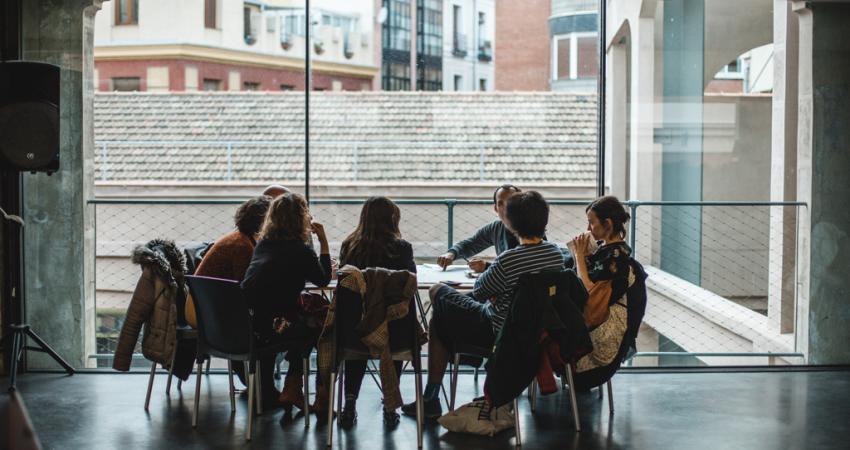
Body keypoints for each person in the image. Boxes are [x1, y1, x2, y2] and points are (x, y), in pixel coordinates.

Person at [403, 191, 566, 418]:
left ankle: (431, 398)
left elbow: (479, 292)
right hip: (532, 334)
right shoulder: (555, 255)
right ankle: (432, 397)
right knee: (440, 318)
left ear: (512, 223)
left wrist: (492, 279)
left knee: (437, 292)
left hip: (497, 333)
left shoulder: (508, 260)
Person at [241, 193, 332, 412]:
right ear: (301, 218)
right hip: (275, 327)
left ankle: (294, 385)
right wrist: (324, 242)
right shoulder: (301, 250)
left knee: (307, 320)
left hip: (248, 324)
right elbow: (323, 279)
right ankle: (311, 392)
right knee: (322, 326)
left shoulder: (263, 244)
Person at [335, 196, 416, 427]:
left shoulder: (349, 246)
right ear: (393, 219)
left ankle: (349, 402)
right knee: (393, 325)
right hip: (395, 335)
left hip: (354, 333)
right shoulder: (402, 248)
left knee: (361, 327)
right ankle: (390, 405)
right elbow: (410, 282)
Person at [570, 196, 639, 374]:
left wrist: (579, 257)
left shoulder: (613, 257)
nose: (588, 228)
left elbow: (589, 292)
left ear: (607, 224)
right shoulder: (618, 250)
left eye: (591, 223)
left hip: (601, 342)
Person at [436, 184, 522, 273]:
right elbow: (471, 244)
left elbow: (523, 265)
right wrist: (451, 253)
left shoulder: (530, 228)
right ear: (495, 208)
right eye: (500, 204)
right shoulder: (496, 228)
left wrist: (487, 266)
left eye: (510, 202)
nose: (506, 208)